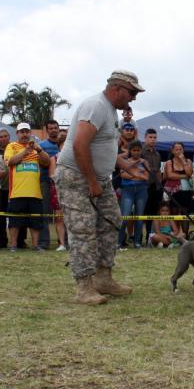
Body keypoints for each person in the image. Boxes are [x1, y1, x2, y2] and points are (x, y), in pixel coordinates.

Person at [55, 70, 143, 305]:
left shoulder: (110, 110)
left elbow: (103, 146)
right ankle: (84, 288)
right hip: (76, 177)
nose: (134, 98)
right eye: (132, 92)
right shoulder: (95, 106)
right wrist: (92, 182)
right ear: (118, 89)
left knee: (111, 221)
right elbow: (79, 145)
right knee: (82, 230)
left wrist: (126, 165)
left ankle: (104, 278)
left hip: (99, 179)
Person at [4, 123, 50, 252]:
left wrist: (38, 149)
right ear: (17, 134)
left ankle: (35, 246)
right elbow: (11, 162)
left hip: (35, 192)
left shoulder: (36, 147)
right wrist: (25, 151)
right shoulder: (11, 146)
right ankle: (13, 245)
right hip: (17, 192)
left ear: (30, 133)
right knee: (14, 221)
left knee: (35, 221)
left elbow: (46, 162)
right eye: (21, 132)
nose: (24, 134)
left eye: (27, 132)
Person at [118, 140, 150, 249]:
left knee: (139, 217)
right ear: (130, 151)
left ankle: (137, 242)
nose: (136, 152)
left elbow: (147, 177)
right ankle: (119, 242)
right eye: (134, 150)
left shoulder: (145, 162)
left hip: (142, 190)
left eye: (138, 150)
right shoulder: (125, 161)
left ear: (141, 150)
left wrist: (132, 175)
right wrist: (137, 173)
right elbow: (123, 175)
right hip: (127, 189)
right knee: (125, 216)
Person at [39, 120, 62, 249]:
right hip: (45, 181)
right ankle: (44, 242)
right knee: (44, 212)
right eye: (51, 128)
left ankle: (64, 241)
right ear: (47, 130)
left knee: (63, 213)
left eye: (55, 127)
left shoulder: (64, 145)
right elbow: (42, 163)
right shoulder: (41, 145)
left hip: (63, 183)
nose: (53, 130)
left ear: (58, 129)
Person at [162, 142, 194, 219]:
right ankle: (176, 231)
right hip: (173, 192)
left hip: (186, 191)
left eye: (180, 149)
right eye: (176, 149)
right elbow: (170, 175)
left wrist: (183, 161)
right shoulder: (169, 162)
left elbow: (189, 173)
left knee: (185, 214)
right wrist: (185, 176)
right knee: (174, 212)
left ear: (183, 150)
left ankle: (184, 231)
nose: (179, 151)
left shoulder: (188, 161)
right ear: (172, 151)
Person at [141, 128, 163, 244]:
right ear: (145, 138)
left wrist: (160, 187)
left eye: (154, 138)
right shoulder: (140, 151)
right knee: (141, 213)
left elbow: (158, 171)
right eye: (150, 137)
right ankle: (137, 238)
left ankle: (148, 238)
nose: (153, 140)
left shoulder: (157, 154)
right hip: (142, 185)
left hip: (155, 187)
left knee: (152, 213)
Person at [46, 144, 67, 251]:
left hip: (75, 191)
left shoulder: (77, 157)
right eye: (63, 145)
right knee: (59, 219)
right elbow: (52, 175)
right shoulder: (54, 158)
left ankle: (74, 242)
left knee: (74, 218)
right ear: (60, 147)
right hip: (58, 191)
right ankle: (62, 244)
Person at [0, 128, 11, 248]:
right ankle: (2, 241)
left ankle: (20, 241)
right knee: (0, 216)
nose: (3, 138)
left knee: (17, 216)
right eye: (0, 137)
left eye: (5, 136)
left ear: (9, 137)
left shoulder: (16, 149)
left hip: (16, 188)